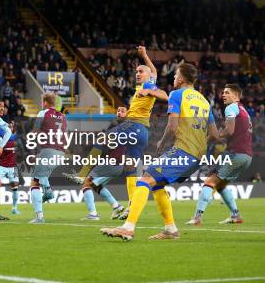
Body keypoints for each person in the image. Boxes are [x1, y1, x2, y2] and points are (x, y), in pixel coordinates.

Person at [102, 63, 218, 241]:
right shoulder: (204, 100)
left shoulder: (176, 94)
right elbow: (214, 135)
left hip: (183, 150)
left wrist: (162, 144)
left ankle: (128, 227)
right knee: (156, 185)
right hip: (198, 156)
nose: (173, 78)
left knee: (144, 180)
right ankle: (170, 229)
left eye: (175, 75)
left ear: (180, 79)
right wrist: (200, 147)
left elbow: (172, 127)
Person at [64, 46, 168, 220]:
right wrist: (144, 55)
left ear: (148, 75)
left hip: (134, 126)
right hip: (141, 132)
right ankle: (131, 206)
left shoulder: (148, 86)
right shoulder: (144, 86)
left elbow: (165, 95)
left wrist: (149, 91)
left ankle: (82, 174)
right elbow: (154, 71)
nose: (137, 73)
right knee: (130, 168)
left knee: (103, 138)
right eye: (136, 71)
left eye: (141, 71)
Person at [187, 84, 253, 225]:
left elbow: (229, 131)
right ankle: (236, 215)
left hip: (236, 154)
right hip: (247, 157)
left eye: (227, 93)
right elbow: (231, 132)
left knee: (209, 181)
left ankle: (197, 217)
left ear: (236, 96)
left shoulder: (231, 107)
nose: (223, 95)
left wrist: (213, 135)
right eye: (222, 92)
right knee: (220, 185)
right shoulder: (243, 110)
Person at [29, 93, 67, 224]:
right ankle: (48, 189)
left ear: (45, 102)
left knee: (34, 182)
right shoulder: (62, 116)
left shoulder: (43, 113)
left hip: (48, 151)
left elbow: (34, 132)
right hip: (61, 153)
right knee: (41, 176)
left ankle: (39, 217)